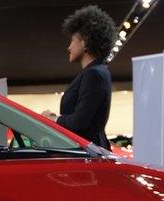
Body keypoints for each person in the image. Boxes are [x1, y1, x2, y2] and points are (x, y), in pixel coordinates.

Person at [40, 5, 116, 148]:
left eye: (72, 40)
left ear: (85, 41)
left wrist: (53, 119)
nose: (69, 47)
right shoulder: (97, 71)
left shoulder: (94, 74)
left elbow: (80, 122)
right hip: (90, 150)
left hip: (88, 155)